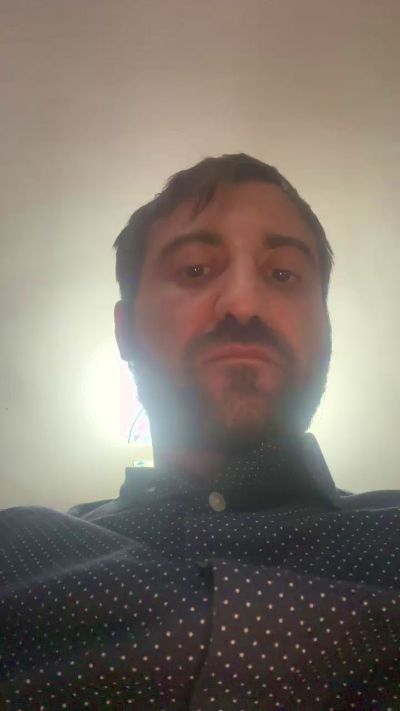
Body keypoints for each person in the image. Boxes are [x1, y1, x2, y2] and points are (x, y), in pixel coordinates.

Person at [1, 154, 399, 710]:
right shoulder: (14, 549)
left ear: (325, 327)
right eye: (194, 270)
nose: (243, 304)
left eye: (283, 274)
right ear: (125, 331)